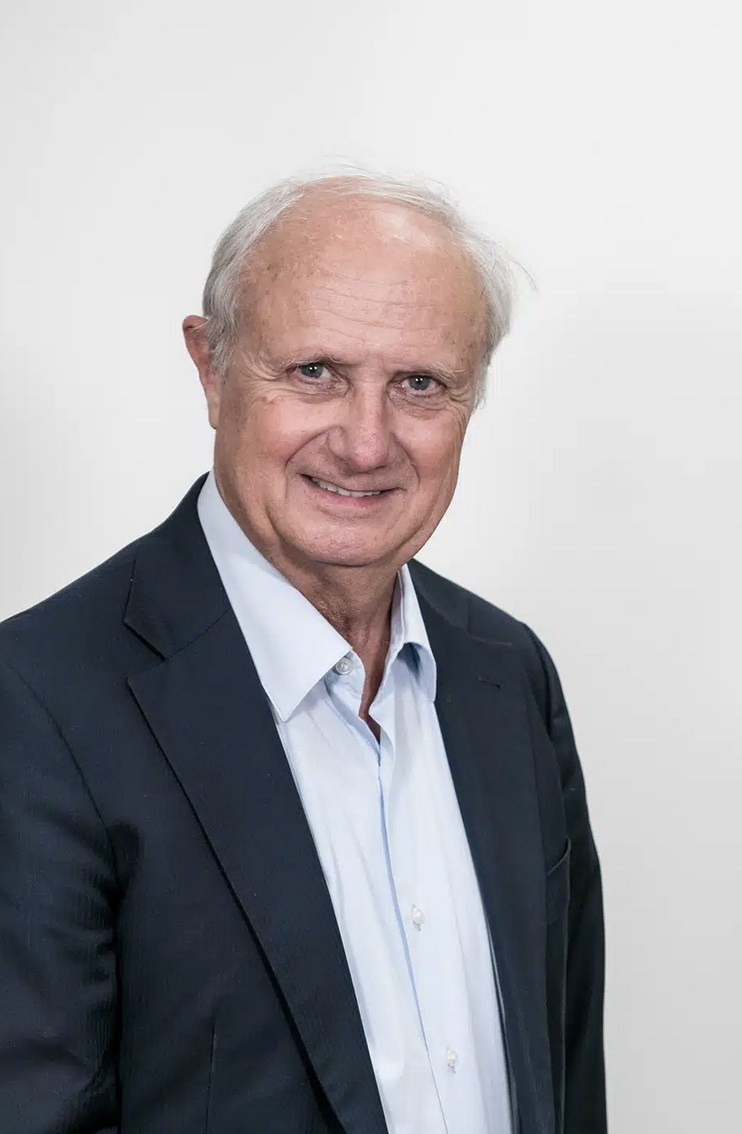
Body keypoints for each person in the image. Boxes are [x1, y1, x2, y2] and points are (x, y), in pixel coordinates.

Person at [0, 173, 606, 1134]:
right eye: (316, 371)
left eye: (420, 385)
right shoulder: (36, 703)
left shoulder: (508, 673)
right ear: (211, 368)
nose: (366, 444)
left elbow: (564, 1075)